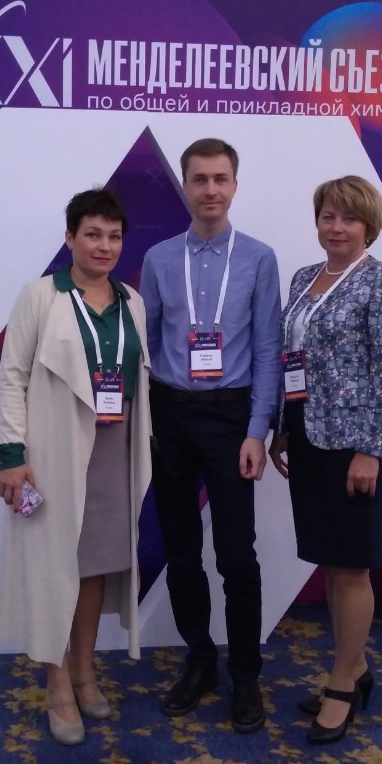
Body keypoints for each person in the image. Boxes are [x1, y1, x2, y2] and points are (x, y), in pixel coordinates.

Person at [0, 188, 152, 745]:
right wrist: (12, 456)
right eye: (92, 234)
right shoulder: (41, 295)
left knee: (94, 565)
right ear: (70, 238)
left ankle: (84, 670)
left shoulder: (131, 301)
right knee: (55, 565)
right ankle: (58, 682)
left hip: (113, 450)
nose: (104, 246)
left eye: (114, 236)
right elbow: (12, 377)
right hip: (54, 451)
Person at [140, 138, 282, 733]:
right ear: (185, 186)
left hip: (231, 419)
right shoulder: (157, 259)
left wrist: (257, 430)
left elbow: (270, 349)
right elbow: (146, 343)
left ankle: (245, 674)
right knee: (180, 551)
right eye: (199, 179)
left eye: (221, 179)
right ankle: (199, 659)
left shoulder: (259, 258)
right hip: (170, 415)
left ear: (235, 185)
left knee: (236, 555)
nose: (210, 190)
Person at [268, 175, 382, 745]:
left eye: (349, 218)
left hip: (355, 447)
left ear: (368, 226)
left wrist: (371, 450)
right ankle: (355, 667)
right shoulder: (304, 278)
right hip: (308, 437)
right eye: (328, 216)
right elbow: (291, 358)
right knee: (331, 562)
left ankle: (343, 686)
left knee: (352, 567)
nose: (337, 227)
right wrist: (283, 428)